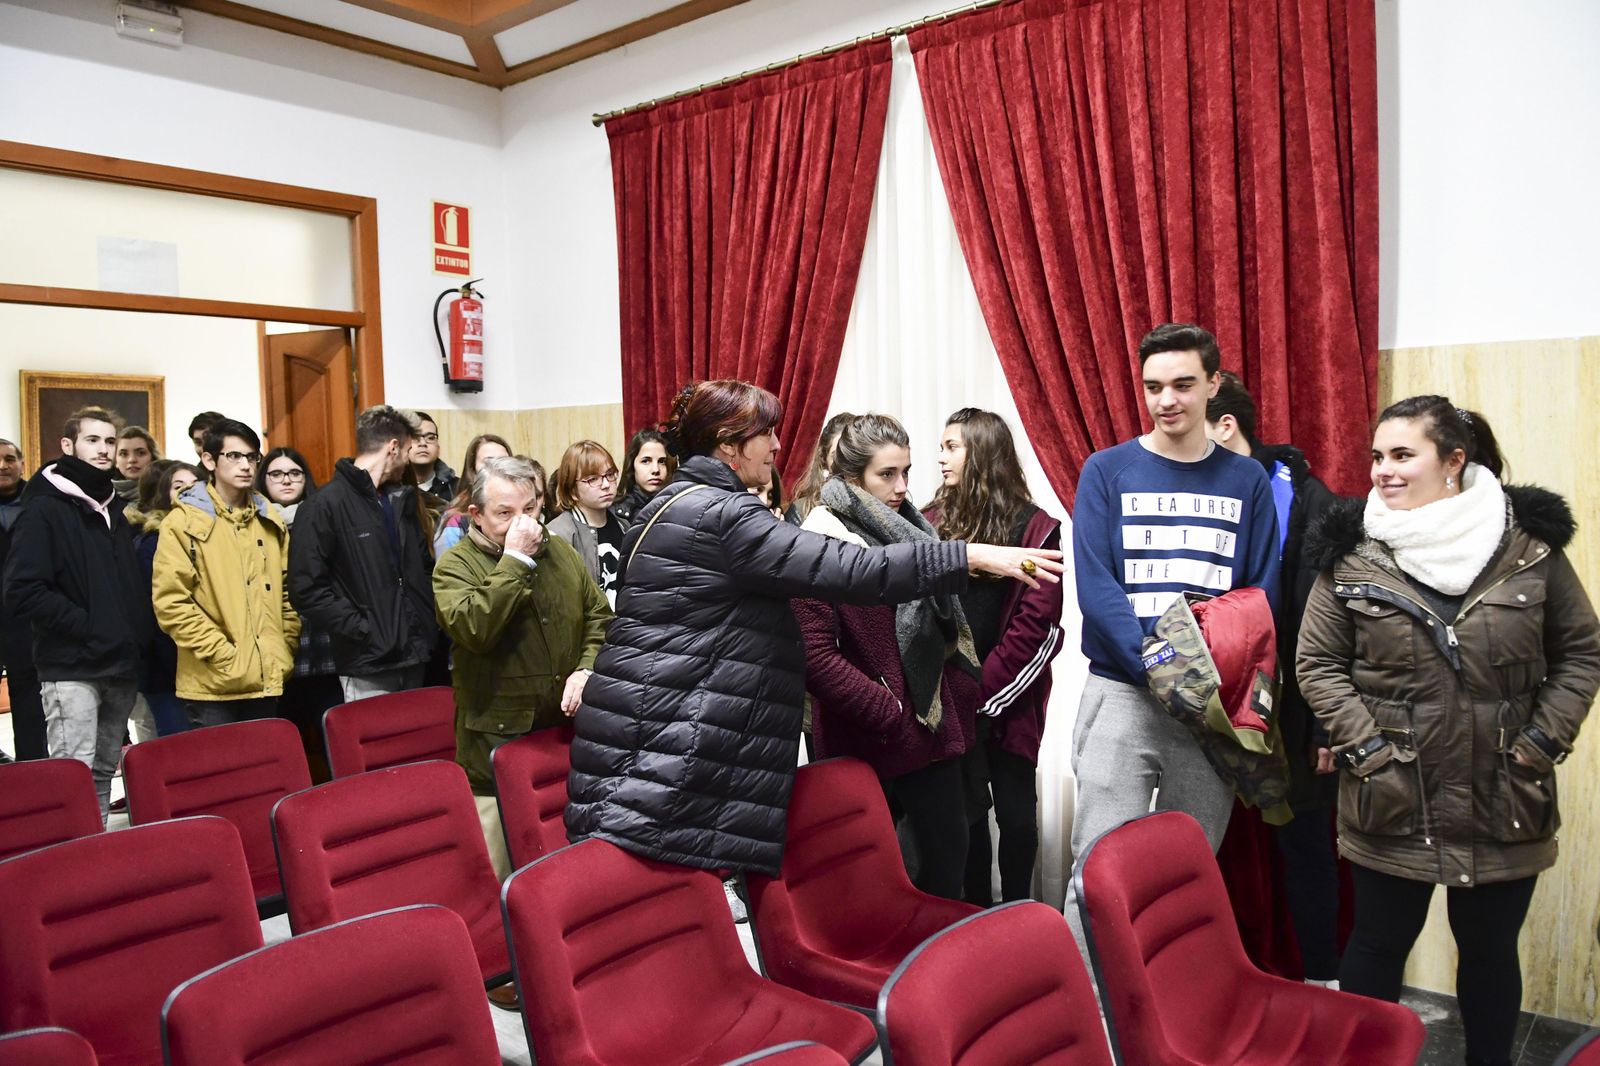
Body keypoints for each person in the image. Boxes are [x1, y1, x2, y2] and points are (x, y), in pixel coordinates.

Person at [565, 379, 1062, 881]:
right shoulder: (724, 515)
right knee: (665, 898)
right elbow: (857, 570)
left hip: (644, 723)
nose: (779, 445)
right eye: (768, 433)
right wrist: (969, 555)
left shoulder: (669, 505)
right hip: (672, 733)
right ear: (730, 444)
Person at [1297, 396, 1599, 1066]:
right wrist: (1369, 751)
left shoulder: (1528, 549)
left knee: (1491, 954)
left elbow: (1582, 651)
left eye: (1403, 455)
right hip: (1391, 795)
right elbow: (1316, 664)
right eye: (1377, 456)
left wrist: (1542, 741)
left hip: (1506, 794)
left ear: (1454, 462)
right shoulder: (1352, 556)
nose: (1383, 471)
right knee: (1375, 948)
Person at [1065, 324, 1280, 944]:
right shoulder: (1107, 471)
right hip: (1123, 697)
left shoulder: (1248, 482)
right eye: (1154, 386)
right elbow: (1098, 588)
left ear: (1214, 384)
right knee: (1098, 872)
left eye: (1183, 384)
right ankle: (1087, 1019)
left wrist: (1216, 687)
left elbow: (1260, 595)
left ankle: (1164, 1017)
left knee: (1186, 876)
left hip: (1209, 709)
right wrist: (1158, 669)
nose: (1167, 400)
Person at [795, 414, 981, 899]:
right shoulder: (817, 540)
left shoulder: (910, 529)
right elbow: (814, 656)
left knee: (947, 864)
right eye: (886, 475)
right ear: (851, 478)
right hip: (867, 737)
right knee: (867, 882)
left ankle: (940, 971)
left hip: (927, 730)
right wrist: (887, 710)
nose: (901, 487)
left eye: (906, 472)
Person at [1204, 371, 1342, 984]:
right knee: (1208, 848)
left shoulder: (1311, 502)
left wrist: (1322, 728)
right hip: (1211, 705)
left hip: (1293, 712)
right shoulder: (1201, 497)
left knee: (1306, 851)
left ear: (1225, 426)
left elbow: (1328, 635)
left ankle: (1321, 982)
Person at [433, 456, 612, 875]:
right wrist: (516, 561)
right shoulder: (454, 567)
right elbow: (475, 627)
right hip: (495, 754)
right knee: (505, 883)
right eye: (505, 513)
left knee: (567, 870)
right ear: (475, 515)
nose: (523, 524)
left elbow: (599, 618)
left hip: (564, 742)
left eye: (530, 509)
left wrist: (586, 668)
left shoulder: (561, 551)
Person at [928, 407, 1063, 905]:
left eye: (951, 447)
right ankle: (978, 919)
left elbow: (1038, 626)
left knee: (1018, 820)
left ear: (981, 452)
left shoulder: (1037, 528)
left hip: (1011, 703)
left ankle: (1019, 914)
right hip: (951, 705)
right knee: (967, 824)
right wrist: (956, 698)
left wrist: (982, 697)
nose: (940, 458)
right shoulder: (929, 522)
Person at [2, 407, 156, 820]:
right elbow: (24, 590)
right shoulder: (43, 509)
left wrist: (132, 633)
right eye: (93, 440)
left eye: (110, 441)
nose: (104, 450)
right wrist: (90, 629)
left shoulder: (114, 509)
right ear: (68, 446)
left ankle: (97, 861)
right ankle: (73, 871)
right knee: (74, 775)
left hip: (119, 662)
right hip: (71, 665)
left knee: (105, 770)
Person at [153, 419, 299, 725]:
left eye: (251, 457)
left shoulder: (269, 519)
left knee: (263, 770)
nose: (245, 465)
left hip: (266, 678)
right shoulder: (181, 522)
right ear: (209, 460)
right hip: (213, 686)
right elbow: (171, 602)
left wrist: (282, 645)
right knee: (222, 772)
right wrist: (223, 655)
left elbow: (288, 593)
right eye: (234, 456)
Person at [288, 405, 438, 701]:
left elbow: (422, 570)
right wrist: (363, 629)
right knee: (376, 746)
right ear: (393, 447)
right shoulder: (323, 506)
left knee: (418, 746)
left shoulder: (400, 501)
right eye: (408, 449)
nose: (409, 460)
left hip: (416, 654)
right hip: (367, 662)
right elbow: (305, 589)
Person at [257, 446, 341, 775]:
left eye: (295, 473)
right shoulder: (255, 521)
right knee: (281, 753)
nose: (287, 480)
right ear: (264, 480)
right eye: (276, 474)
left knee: (335, 744)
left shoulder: (325, 517)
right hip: (275, 652)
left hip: (324, 647)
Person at [128, 460, 200, 737]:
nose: (188, 492)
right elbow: (153, 610)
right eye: (178, 486)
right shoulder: (152, 542)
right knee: (177, 747)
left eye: (196, 486)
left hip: (209, 667)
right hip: (164, 667)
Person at [0, 437, 46, 761]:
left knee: (29, 701)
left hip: (26, 619)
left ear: (22, 463)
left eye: (9, 458)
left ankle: (33, 767)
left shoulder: (40, 502)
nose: (2, 465)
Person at [547, 440, 626, 607]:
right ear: (572, 490)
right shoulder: (558, 536)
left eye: (610, 475)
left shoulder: (625, 526)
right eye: (593, 479)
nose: (606, 485)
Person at [434, 433, 512, 555]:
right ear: (473, 469)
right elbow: (448, 570)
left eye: (504, 462)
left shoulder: (521, 511)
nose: (498, 468)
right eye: (488, 463)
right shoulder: (456, 520)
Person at [786, 410, 856, 525]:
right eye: (838, 456)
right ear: (825, 460)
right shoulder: (802, 511)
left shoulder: (881, 503)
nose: (847, 463)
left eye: (853, 454)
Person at [613, 427, 675, 523]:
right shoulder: (615, 513)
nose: (655, 470)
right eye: (645, 461)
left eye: (662, 462)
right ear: (632, 466)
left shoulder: (677, 507)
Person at [407, 412, 457, 503]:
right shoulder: (392, 489)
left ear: (438, 448)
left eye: (430, 438)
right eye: (415, 437)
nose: (423, 443)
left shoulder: (458, 489)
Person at [114, 425, 159, 504]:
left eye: (141, 453)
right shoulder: (103, 497)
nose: (132, 460)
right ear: (115, 461)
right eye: (124, 454)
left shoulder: (168, 493)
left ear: (152, 458)